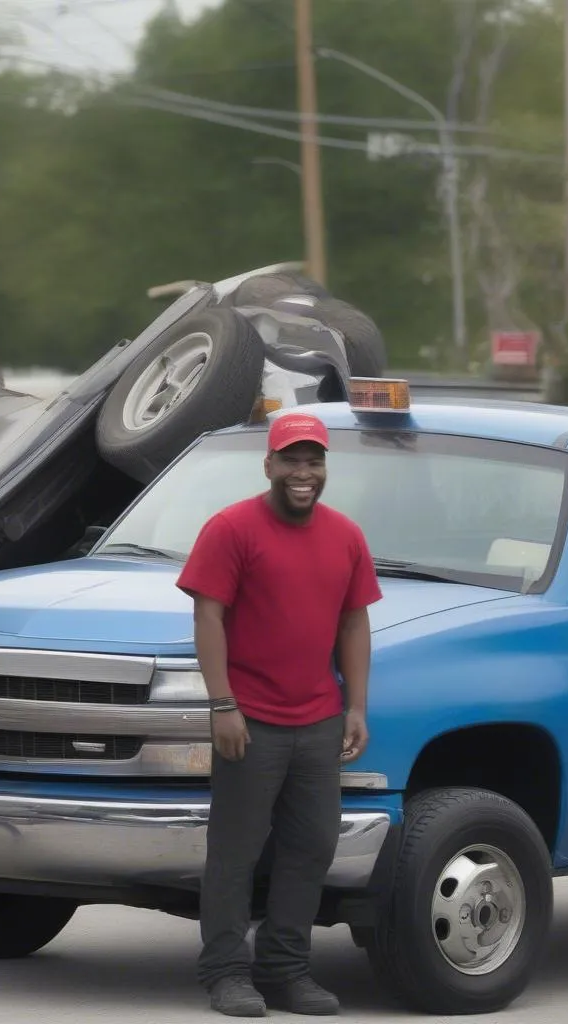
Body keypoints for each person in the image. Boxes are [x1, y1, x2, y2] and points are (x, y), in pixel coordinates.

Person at [176, 412, 382, 1018]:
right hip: (251, 719)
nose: (303, 472)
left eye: (313, 460)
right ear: (268, 465)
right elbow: (207, 617)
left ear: (324, 468)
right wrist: (223, 704)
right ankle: (225, 972)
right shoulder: (231, 528)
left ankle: (286, 970)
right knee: (236, 851)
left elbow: (354, 621)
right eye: (290, 459)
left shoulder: (345, 535)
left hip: (318, 719)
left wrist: (357, 707)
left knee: (313, 845)